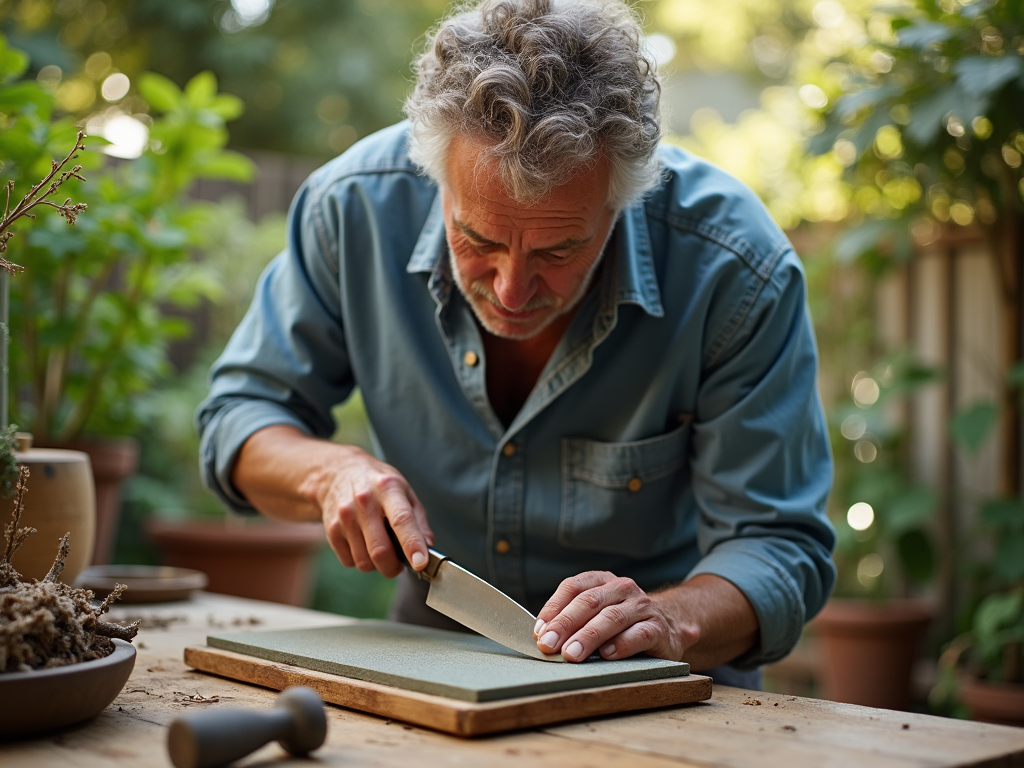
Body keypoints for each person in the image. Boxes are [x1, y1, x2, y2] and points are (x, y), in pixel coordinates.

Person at [197, 0, 835, 688]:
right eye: (477, 240)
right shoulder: (351, 209)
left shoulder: (734, 268)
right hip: (428, 672)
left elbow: (778, 547)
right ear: (433, 177)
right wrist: (329, 473)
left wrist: (669, 621)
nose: (509, 289)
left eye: (559, 249)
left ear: (623, 200)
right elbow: (239, 418)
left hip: (660, 683)